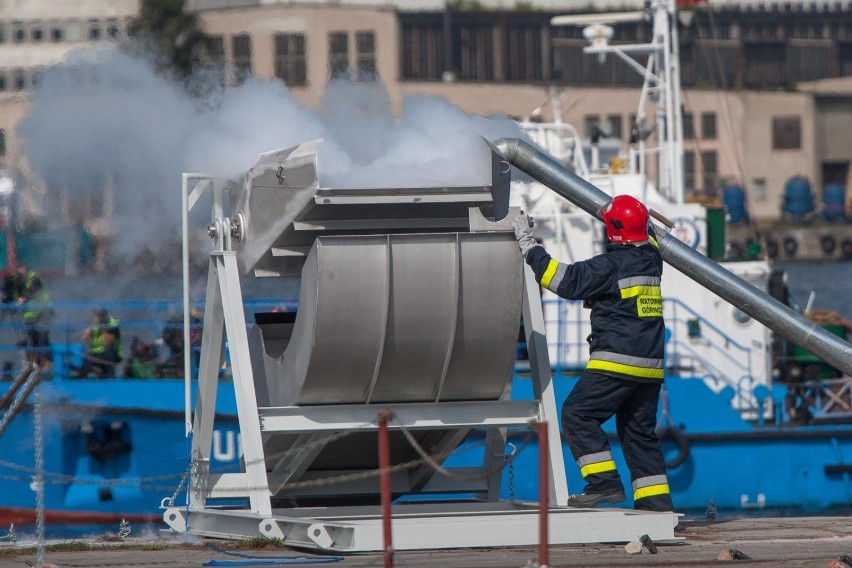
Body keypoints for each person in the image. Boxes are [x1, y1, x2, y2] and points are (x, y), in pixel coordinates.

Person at [512, 195, 673, 512]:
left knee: (577, 415)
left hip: (616, 362)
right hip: (650, 369)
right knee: (638, 434)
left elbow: (563, 281)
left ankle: (604, 484)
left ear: (613, 230)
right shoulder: (653, 260)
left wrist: (529, 246)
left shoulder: (610, 266)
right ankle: (656, 506)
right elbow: (650, 238)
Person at [3, 264, 53, 367]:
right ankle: (35, 363)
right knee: (32, 339)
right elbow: (11, 293)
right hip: (29, 314)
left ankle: (46, 364)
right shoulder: (18, 282)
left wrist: (23, 298)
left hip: (42, 311)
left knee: (42, 338)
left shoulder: (33, 277)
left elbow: (34, 289)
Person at [80, 309, 123, 378]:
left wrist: (102, 328)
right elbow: (84, 337)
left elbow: (108, 341)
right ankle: (90, 375)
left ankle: (109, 376)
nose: (93, 318)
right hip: (97, 352)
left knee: (108, 352)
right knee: (84, 360)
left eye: (96, 316)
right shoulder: (95, 324)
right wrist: (88, 331)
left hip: (112, 354)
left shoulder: (112, 324)